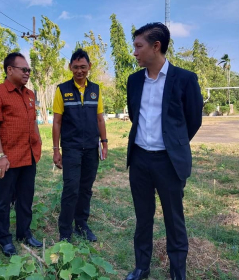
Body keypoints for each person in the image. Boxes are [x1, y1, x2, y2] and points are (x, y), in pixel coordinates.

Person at [125, 23, 203, 280]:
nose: (134, 52)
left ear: (156, 46)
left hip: (168, 163)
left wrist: (174, 144)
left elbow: (193, 120)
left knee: (174, 220)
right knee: (143, 218)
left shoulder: (184, 79)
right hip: (139, 161)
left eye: (139, 46)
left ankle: (178, 273)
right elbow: (135, 115)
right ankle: (141, 268)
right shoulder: (134, 80)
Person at [0, 52, 43, 257]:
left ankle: (24, 233)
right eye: (24, 69)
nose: (28, 73)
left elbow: (33, 122)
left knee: (26, 199)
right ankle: (4, 239)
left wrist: (38, 143)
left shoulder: (29, 94)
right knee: (4, 200)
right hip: (7, 159)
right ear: (10, 70)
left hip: (28, 157)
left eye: (29, 70)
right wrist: (0, 156)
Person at [52, 48, 108, 242]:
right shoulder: (62, 90)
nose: (79, 71)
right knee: (71, 189)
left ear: (89, 67)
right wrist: (56, 150)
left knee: (86, 189)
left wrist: (104, 142)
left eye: (83, 67)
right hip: (71, 149)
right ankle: (65, 232)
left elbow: (100, 119)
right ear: (70, 67)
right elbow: (57, 121)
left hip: (91, 149)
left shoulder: (96, 90)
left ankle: (81, 225)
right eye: (75, 67)